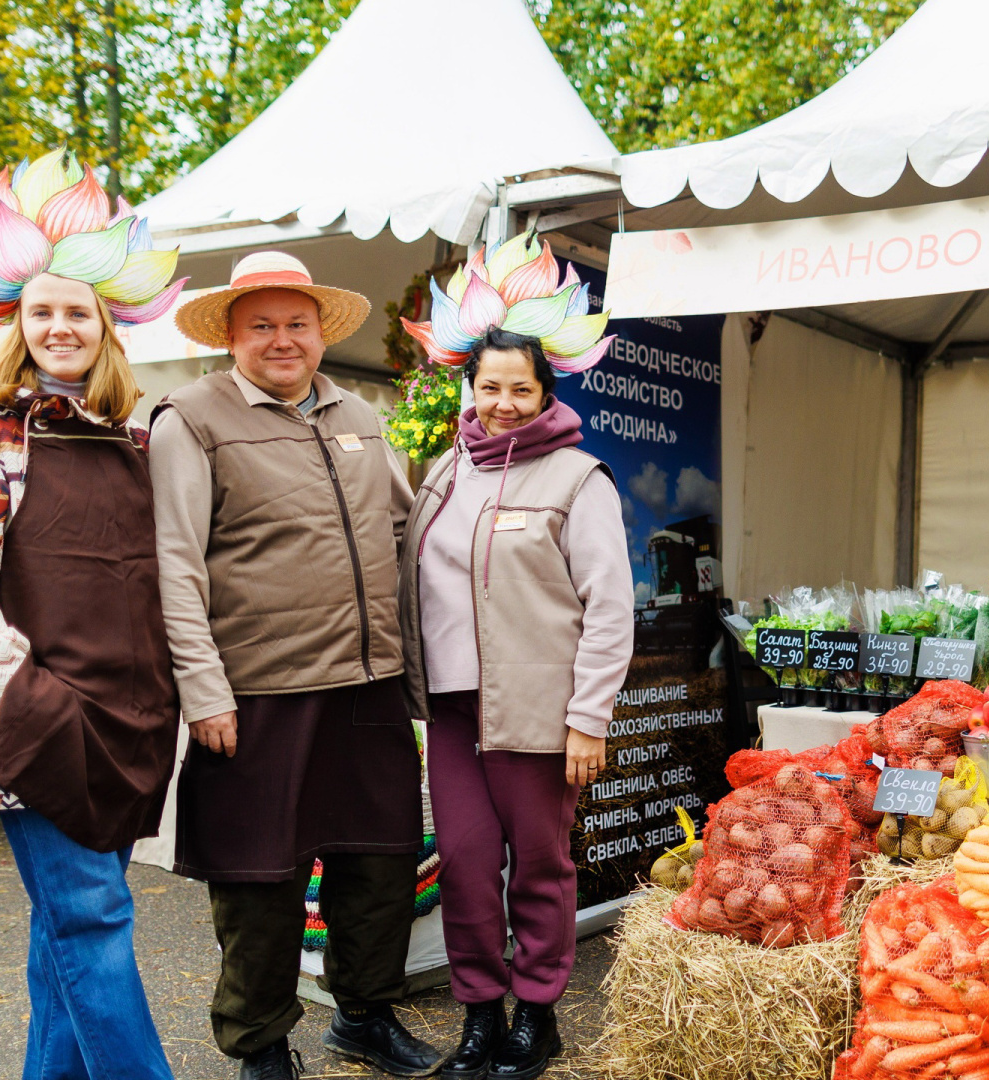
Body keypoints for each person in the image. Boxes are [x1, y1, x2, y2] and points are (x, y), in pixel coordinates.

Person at [0, 150, 185, 1080]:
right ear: (15, 326)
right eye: (43, 312)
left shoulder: (129, 441)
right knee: (93, 920)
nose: (60, 327)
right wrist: (32, 695)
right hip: (31, 727)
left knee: (64, 932)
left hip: (124, 722)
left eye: (79, 312)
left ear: (104, 331)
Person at [153, 250, 440, 1080]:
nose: (283, 340)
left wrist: (417, 673)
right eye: (263, 326)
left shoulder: (361, 412)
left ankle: (364, 1015)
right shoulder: (192, 418)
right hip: (257, 692)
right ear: (233, 336)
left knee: (381, 863)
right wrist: (203, 690)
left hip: (367, 684)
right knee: (258, 881)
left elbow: (401, 531)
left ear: (319, 334)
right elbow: (176, 563)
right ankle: (260, 1044)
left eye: (297, 325)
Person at [396, 233, 634, 1080]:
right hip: (456, 711)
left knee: (539, 865)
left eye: (519, 389)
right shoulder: (442, 474)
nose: (502, 403)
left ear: (546, 392)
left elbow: (611, 609)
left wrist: (587, 721)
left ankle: (538, 1015)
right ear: (470, 385)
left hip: (539, 716)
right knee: (461, 863)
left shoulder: (579, 481)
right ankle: (478, 1016)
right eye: (489, 387)